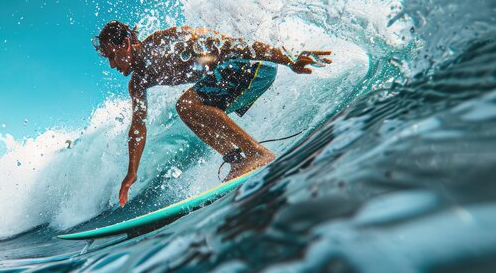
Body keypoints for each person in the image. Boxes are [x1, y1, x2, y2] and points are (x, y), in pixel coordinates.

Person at [92, 20, 332, 206]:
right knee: (189, 109)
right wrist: (132, 172)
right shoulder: (138, 82)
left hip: (253, 65)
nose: (113, 65)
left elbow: (232, 44)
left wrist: (288, 59)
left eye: (113, 55)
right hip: (236, 76)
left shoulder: (163, 42)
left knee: (187, 104)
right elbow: (138, 127)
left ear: (125, 43)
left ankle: (256, 154)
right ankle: (238, 161)